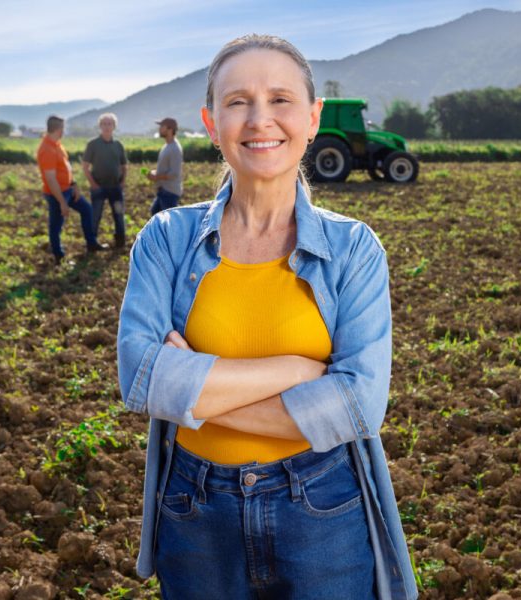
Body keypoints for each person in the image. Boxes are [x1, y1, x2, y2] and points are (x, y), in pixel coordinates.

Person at [117, 34, 417, 600]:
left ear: (312, 117)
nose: (260, 120)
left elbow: (358, 406)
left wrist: (197, 395)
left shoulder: (354, 249)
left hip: (322, 504)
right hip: (193, 510)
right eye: (238, 102)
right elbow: (141, 378)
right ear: (211, 122)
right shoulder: (166, 239)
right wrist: (298, 371)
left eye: (280, 99)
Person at [36, 115, 107, 264]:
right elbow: (50, 179)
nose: (64, 130)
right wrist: (62, 202)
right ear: (57, 129)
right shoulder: (47, 149)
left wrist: (74, 185)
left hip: (68, 190)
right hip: (56, 194)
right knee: (56, 225)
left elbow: (65, 168)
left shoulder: (57, 145)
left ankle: (91, 244)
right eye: (63, 127)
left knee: (86, 210)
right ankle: (59, 257)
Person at [82, 113, 128, 248]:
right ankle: (92, 243)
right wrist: (93, 184)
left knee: (119, 215)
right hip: (99, 188)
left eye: (110, 124)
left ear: (114, 127)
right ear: (100, 126)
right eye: (104, 124)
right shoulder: (93, 144)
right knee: (95, 216)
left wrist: (123, 181)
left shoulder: (118, 145)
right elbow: (85, 167)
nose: (107, 127)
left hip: (116, 188)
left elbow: (124, 166)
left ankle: (120, 242)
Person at [148, 117, 184, 215]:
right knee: (155, 214)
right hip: (164, 191)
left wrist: (156, 176)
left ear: (170, 129)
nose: (159, 129)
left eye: (162, 126)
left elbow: (174, 174)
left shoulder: (175, 149)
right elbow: (166, 169)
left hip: (170, 192)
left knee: (168, 224)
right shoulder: (167, 146)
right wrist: (155, 173)